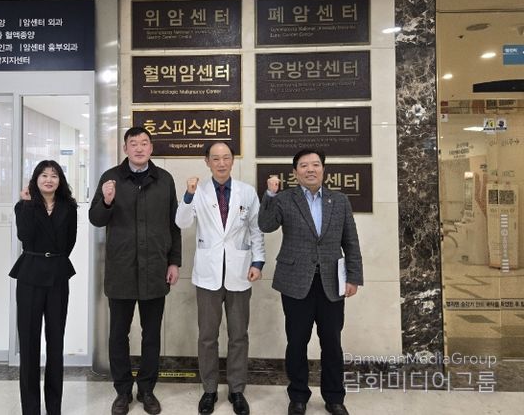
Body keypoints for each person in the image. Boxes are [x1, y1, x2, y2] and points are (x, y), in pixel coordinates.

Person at [258, 149, 363, 415]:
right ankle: (298, 397)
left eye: (315, 164)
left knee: (332, 342)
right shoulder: (285, 199)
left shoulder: (339, 201)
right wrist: (270, 194)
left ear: (323, 169)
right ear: (295, 173)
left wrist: (353, 277)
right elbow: (266, 225)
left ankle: (334, 397)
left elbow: (350, 241)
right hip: (295, 281)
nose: (310, 169)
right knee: (297, 342)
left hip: (331, 282)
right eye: (304, 165)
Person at [89, 126, 182, 415]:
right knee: (118, 334)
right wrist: (106, 201)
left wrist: (174, 261)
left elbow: (174, 224)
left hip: (155, 269)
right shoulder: (111, 178)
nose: (139, 148)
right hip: (121, 270)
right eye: (134, 143)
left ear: (151, 148)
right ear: (125, 148)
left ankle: (146, 389)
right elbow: (95, 219)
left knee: (151, 334)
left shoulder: (164, 179)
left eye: (144, 143)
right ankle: (122, 391)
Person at [175, 142, 265, 415]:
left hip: (240, 271)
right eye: (216, 158)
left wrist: (258, 261)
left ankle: (237, 390)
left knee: (239, 335)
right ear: (207, 162)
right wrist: (188, 195)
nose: (222, 163)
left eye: (226, 158)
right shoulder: (198, 191)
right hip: (208, 275)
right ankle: (210, 390)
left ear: (232, 161)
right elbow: (181, 222)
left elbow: (256, 229)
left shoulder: (247, 192)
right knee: (207, 337)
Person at [9, 160, 79, 415]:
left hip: (57, 275)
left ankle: (53, 408)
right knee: (28, 344)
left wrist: (53, 258)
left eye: (54, 176)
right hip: (30, 275)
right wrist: (28, 204)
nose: (49, 180)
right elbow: (25, 236)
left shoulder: (69, 207)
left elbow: (69, 242)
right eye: (44, 175)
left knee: (55, 342)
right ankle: (30, 409)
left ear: (60, 180)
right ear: (36, 179)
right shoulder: (24, 205)